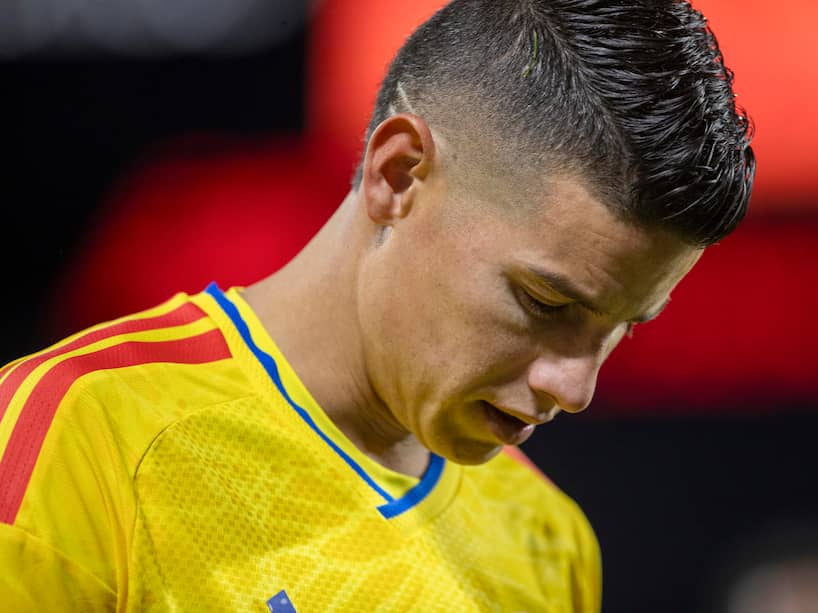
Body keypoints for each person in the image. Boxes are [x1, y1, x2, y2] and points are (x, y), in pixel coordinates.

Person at [0, 0, 754, 610]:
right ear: (397, 174)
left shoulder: (549, 545)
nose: (575, 386)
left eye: (620, 327)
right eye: (544, 300)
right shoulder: (75, 441)